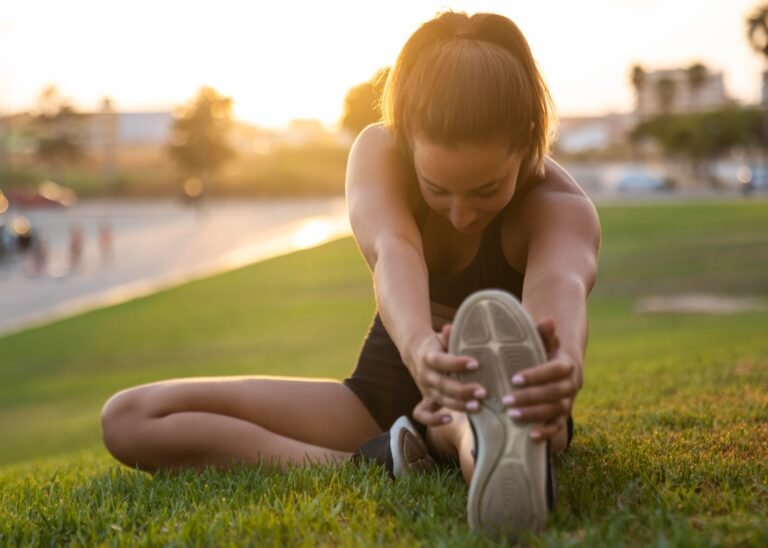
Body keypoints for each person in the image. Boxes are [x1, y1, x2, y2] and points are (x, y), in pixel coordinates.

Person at [100, 10, 600, 540]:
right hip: (379, 399)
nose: (459, 213)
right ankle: (384, 460)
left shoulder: (558, 208)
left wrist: (563, 362)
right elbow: (394, 252)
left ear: (526, 141)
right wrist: (421, 350)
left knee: (489, 426)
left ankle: (466, 436)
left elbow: (560, 291)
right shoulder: (379, 153)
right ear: (407, 137)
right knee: (130, 418)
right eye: (437, 189)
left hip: (513, 400)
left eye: (485, 191)